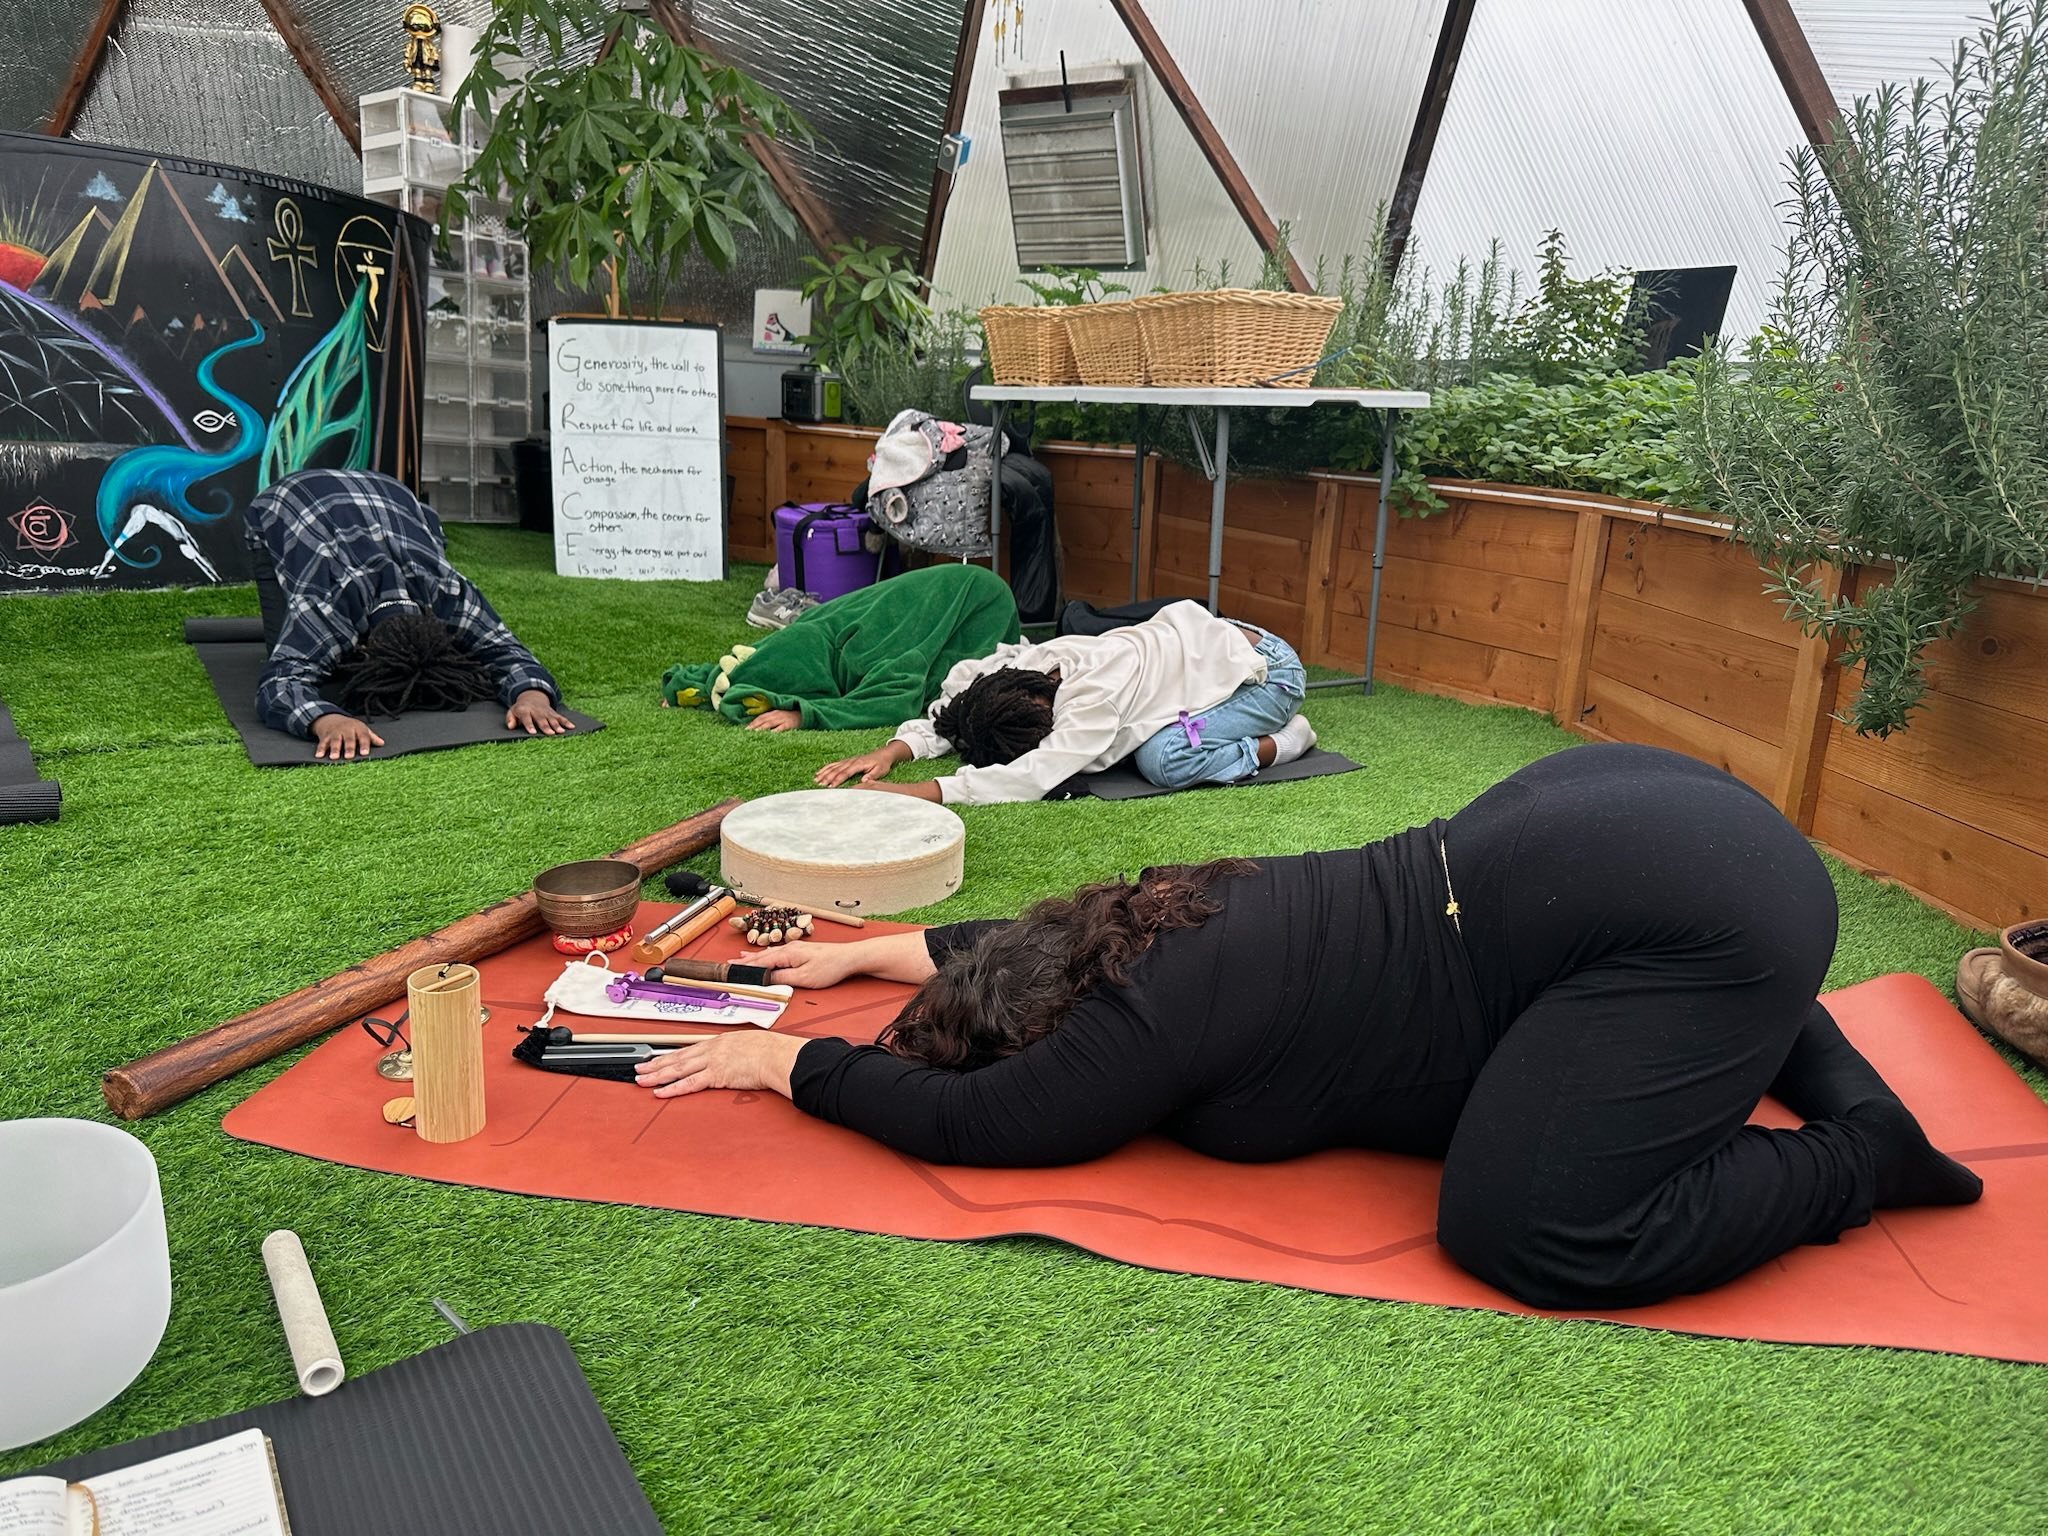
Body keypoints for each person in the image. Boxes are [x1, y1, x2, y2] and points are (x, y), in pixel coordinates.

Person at [635, 744, 1984, 1310]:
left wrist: (783, 1059)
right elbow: (1022, 933)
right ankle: (1747, 1022)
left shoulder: (1136, 1025)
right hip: (1619, 832)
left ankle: (1859, 1150)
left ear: (1052, 1022)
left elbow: (985, 1124)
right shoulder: (1156, 913)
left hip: (1695, 906)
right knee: (1621, 973)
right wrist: (871, 954)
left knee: (1523, 1232)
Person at [813, 599, 1318, 804]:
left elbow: (1035, 775)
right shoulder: (1017, 667)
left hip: (1266, 675)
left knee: (1162, 758)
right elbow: (956, 710)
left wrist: (921, 790)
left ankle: (1285, 741)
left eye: (1042, 729)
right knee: (1153, 748)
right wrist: (893, 751)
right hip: (1215, 649)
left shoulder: (1092, 700)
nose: (1048, 734)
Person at [244, 469, 573, 761]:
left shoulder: (447, 592)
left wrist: (532, 696)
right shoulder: (330, 605)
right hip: (284, 501)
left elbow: (504, 649)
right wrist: (327, 720)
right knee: (286, 648)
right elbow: (280, 681)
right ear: (361, 649)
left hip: (392, 494)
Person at [660, 564, 1022, 731]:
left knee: (943, 690)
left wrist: (803, 714)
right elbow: (769, 657)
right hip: (950, 591)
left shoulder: (871, 656)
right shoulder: (820, 632)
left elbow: (894, 700)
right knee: (803, 637)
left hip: (980, 605)